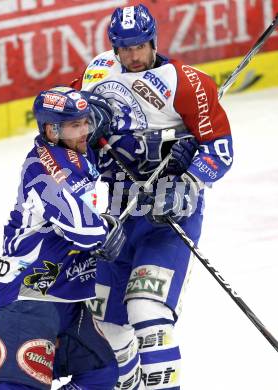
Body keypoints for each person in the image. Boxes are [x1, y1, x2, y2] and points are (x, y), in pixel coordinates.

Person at [74, 4, 234, 389]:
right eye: (124, 47)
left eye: (140, 46)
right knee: (105, 326)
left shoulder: (187, 83)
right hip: (115, 216)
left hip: (168, 216)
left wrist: (189, 179)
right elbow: (75, 136)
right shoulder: (95, 76)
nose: (132, 56)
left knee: (147, 310)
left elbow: (220, 148)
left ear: (154, 41)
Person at [0, 86, 126, 390]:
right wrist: (107, 226)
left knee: (101, 374)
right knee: (20, 387)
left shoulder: (76, 150)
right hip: (29, 295)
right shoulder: (43, 170)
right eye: (76, 125)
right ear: (52, 130)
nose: (85, 131)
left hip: (68, 296)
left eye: (86, 121)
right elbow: (86, 232)